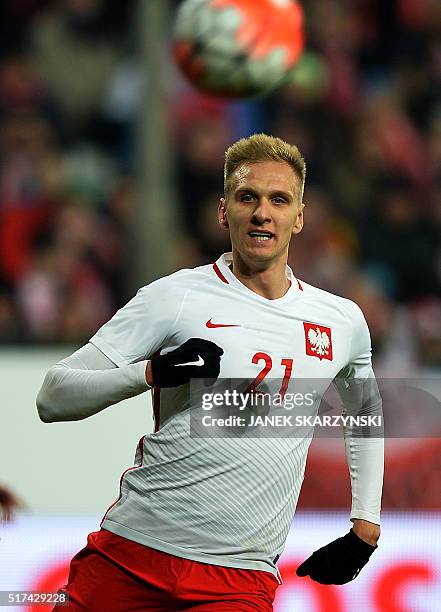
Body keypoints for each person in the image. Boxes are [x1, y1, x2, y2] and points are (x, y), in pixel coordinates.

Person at [37, 134, 383, 611]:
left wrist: (365, 523)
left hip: (241, 578)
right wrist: (150, 374)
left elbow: (364, 408)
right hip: (133, 555)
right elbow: (53, 397)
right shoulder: (175, 297)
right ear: (224, 212)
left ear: (298, 218)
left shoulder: (340, 320)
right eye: (248, 197)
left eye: (279, 200)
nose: (263, 212)